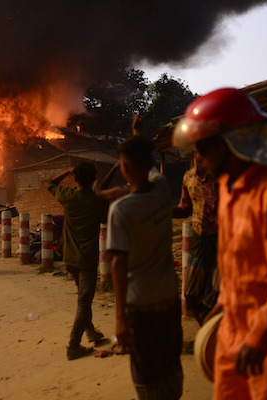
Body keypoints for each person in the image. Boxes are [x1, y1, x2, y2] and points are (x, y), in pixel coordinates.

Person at [173, 87, 267, 400]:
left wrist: (260, 336)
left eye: (202, 146)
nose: (196, 156)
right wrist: (222, 307)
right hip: (234, 324)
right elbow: (234, 263)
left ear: (231, 141)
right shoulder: (227, 187)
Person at [106, 136, 183, 399]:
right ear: (151, 162)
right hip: (169, 295)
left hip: (140, 303)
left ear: (124, 168)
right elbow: (150, 169)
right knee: (170, 360)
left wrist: (119, 318)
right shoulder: (162, 189)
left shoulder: (121, 210)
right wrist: (138, 135)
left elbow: (118, 264)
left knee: (146, 371)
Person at [47, 162, 111, 360]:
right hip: (87, 259)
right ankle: (73, 346)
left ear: (75, 179)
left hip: (69, 257)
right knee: (84, 301)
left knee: (83, 297)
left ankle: (91, 331)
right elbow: (105, 216)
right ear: (93, 179)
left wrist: (67, 171)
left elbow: (49, 183)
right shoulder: (96, 201)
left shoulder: (69, 196)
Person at [172, 153, 219, 325]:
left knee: (217, 294)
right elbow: (185, 208)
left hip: (221, 240)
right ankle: (206, 333)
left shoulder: (221, 176)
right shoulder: (189, 177)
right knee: (191, 296)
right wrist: (163, 210)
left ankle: (214, 338)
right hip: (200, 240)